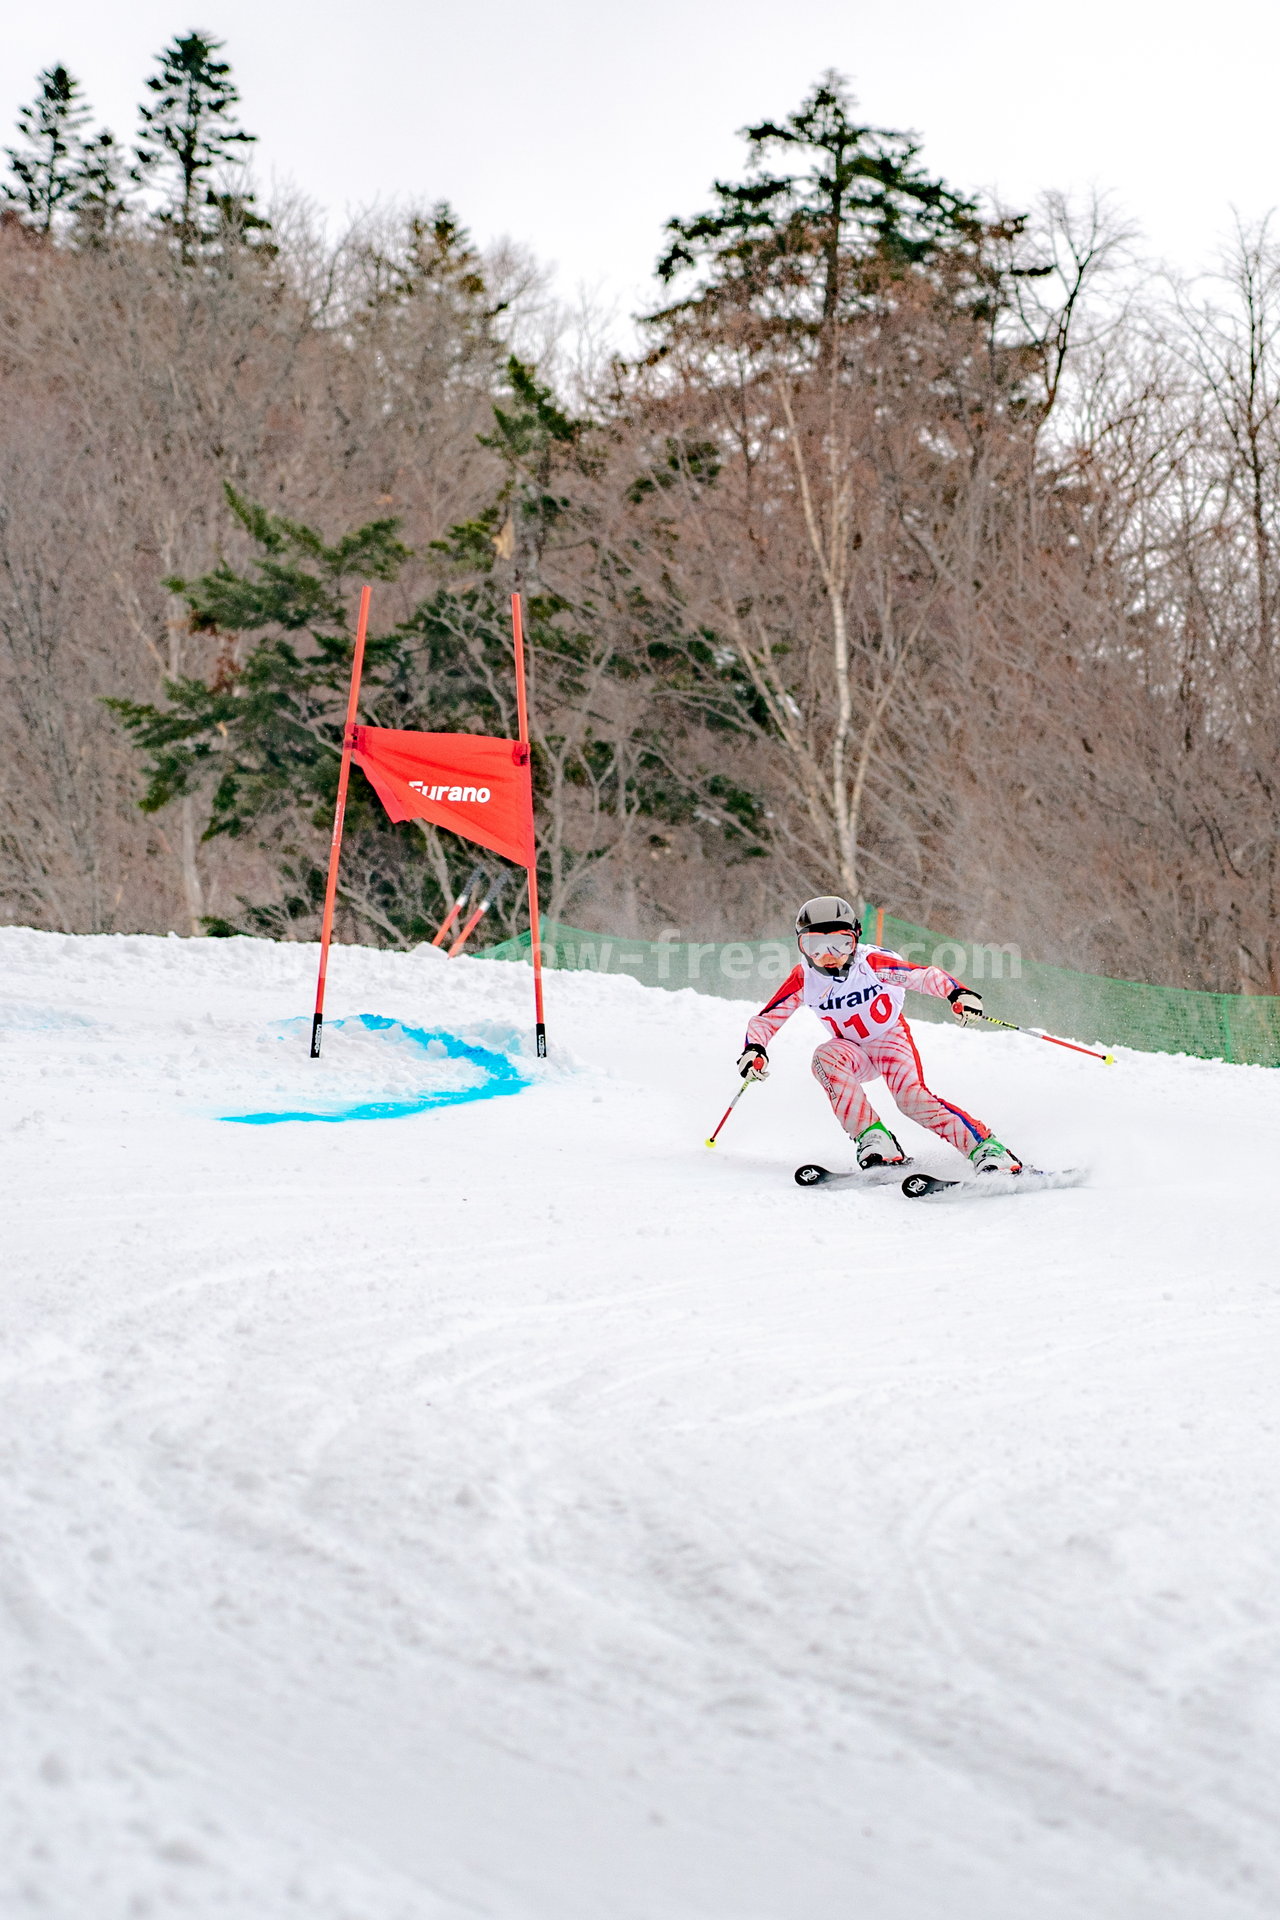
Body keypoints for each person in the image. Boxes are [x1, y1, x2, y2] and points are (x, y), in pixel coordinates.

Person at [737, 896, 1023, 1174]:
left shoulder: (872, 963)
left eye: (840, 944)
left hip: (889, 1039)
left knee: (910, 1099)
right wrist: (754, 1049)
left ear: (855, 939)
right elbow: (766, 1019)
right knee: (824, 1058)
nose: (828, 957)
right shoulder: (804, 979)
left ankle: (986, 1148)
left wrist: (957, 992)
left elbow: (922, 976)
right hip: (852, 1050)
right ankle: (874, 1138)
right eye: (815, 947)